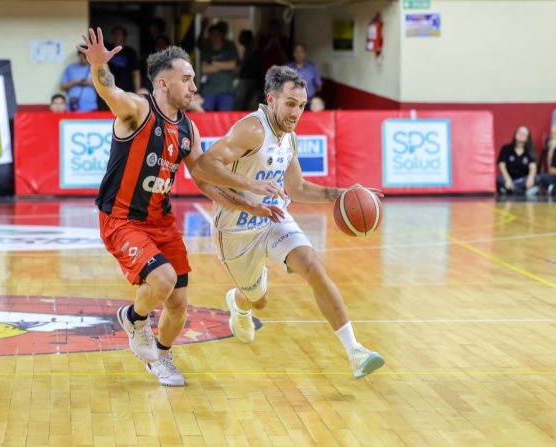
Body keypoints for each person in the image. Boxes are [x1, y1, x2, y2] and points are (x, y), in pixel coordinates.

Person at [77, 28, 275, 386]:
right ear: (163, 83)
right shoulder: (138, 109)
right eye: (186, 79)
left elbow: (205, 178)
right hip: (122, 219)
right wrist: (98, 66)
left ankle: (162, 358)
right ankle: (133, 318)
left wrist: (249, 200)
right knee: (163, 279)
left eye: (194, 79)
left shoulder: (189, 130)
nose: (194, 87)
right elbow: (110, 91)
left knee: (179, 302)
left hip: (161, 220)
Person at [190, 65, 386, 379]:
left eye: (302, 105)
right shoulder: (252, 129)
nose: (296, 113)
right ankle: (239, 302)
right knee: (259, 300)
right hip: (237, 231)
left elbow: (298, 188)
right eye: (290, 104)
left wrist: (345, 194)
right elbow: (203, 167)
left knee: (314, 267)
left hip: (275, 218)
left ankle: (356, 351)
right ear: (271, 99)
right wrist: (251, 186)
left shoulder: (290, 137)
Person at [198, 21, 238, 111]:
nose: (215, 37)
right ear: (209, 36)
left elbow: (232, 65)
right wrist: (224, 66)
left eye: (217, 35)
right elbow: (204, 69)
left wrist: (212, 62)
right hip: (208, 90)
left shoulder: (229, 46)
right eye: (212, 35)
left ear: (221, 35)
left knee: (226, 116)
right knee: (206, 115)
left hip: (226, 90)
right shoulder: (206, 49)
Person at [496, 126, 538, 196]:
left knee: (538, 178)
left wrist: (530, 178)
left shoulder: (530, 151)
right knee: (498, 179)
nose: (521, 134)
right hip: (509, 178)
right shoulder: (506, 148)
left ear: (527, 138)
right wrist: (507, 179)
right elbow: (502, 165)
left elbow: (533, 167)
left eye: (524, 134)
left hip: (523, 179)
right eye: (519, 132)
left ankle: (512, 190)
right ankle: (521, 191)